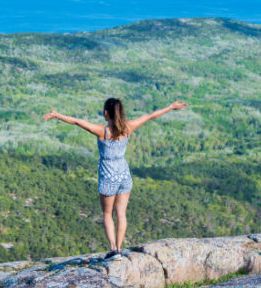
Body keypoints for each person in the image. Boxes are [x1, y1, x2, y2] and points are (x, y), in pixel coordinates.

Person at [44, 98, 188, 258]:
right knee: (121, 214)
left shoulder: (102, 131)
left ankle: (113, 249)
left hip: (108, 177)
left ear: (106, 113)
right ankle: (119, 248)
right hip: (124, 175)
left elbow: (77, 122)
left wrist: (57, 115)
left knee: (107, 214)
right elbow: (150, 116)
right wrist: (171, 107)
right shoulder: (128, 127)